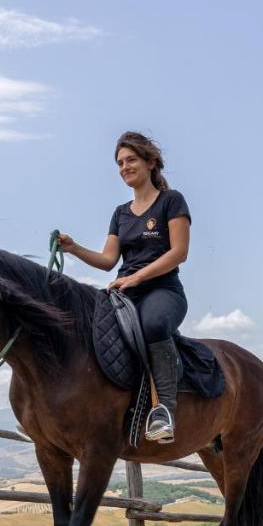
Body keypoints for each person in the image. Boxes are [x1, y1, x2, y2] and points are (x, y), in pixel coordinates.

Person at [57, 131, 191, 443]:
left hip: (163, 291)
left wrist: (137, 276)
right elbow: (107, 260)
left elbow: (179, 252)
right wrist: (74, 247)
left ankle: (164, 410)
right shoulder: (120, 213)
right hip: (125, 291)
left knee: (154, 325)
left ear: (150, 162)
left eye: (131, 160)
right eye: (119, 163)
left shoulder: (171, 201)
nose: (124, 167)